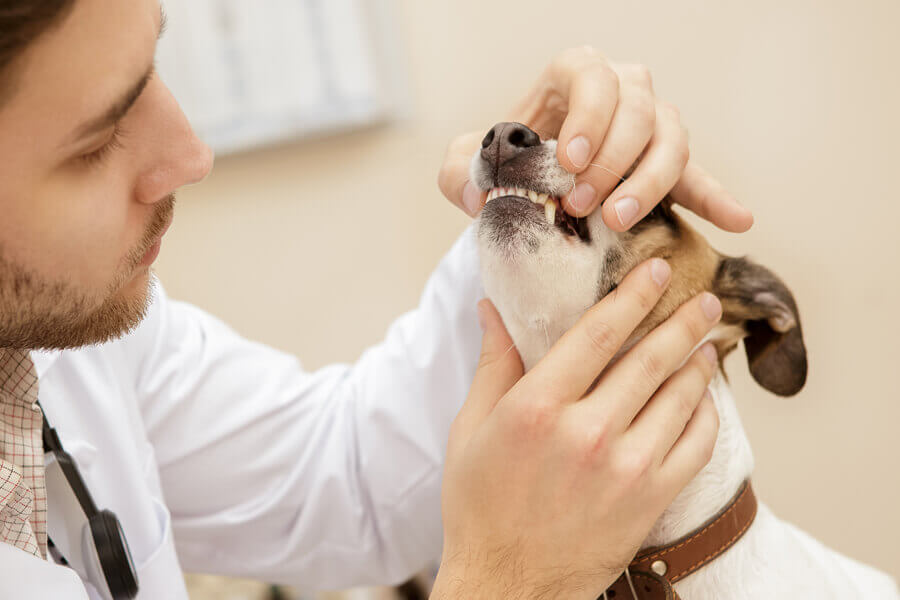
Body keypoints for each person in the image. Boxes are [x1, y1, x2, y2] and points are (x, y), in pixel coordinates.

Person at [0, 1, 754, 599]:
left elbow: (352, 477)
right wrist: (508, 585)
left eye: (152, 69)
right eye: (95, 141)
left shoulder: (77, 344)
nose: (193, 157)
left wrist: (526, 208)